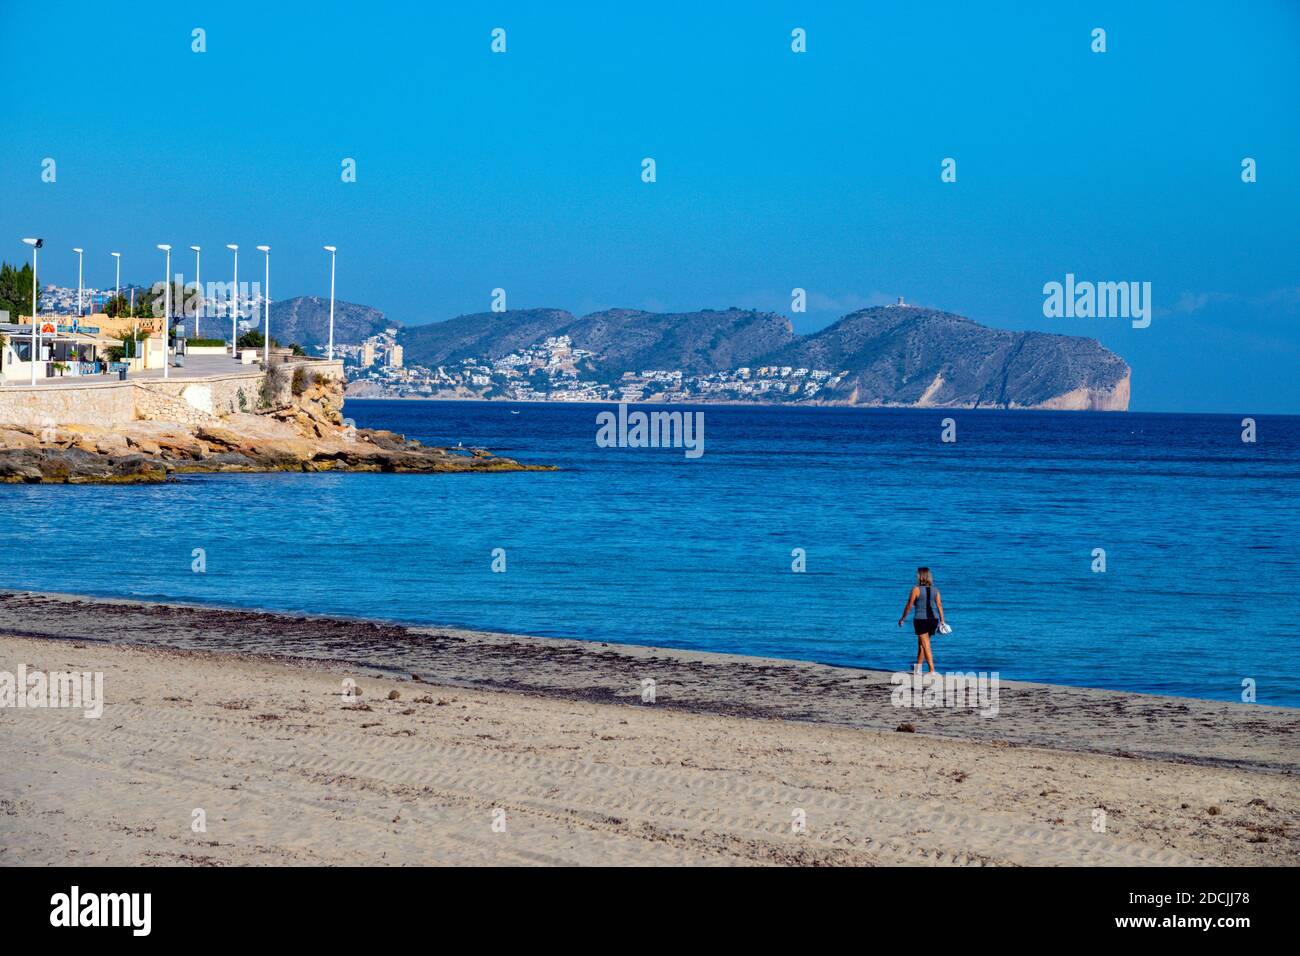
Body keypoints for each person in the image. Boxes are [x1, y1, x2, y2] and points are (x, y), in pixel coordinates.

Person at [898, 567, 945, 677]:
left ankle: (932, 670)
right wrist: (942, 620)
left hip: (921, 619)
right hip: (933, 619)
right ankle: (918, 668)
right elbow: (939, 605)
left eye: (917, 574)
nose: (916, 576)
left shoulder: (916, 589)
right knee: (922, 644)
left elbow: (909, 605)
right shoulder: (936, 589)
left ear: (920, 576)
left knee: (925, 644)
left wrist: (902, 618)